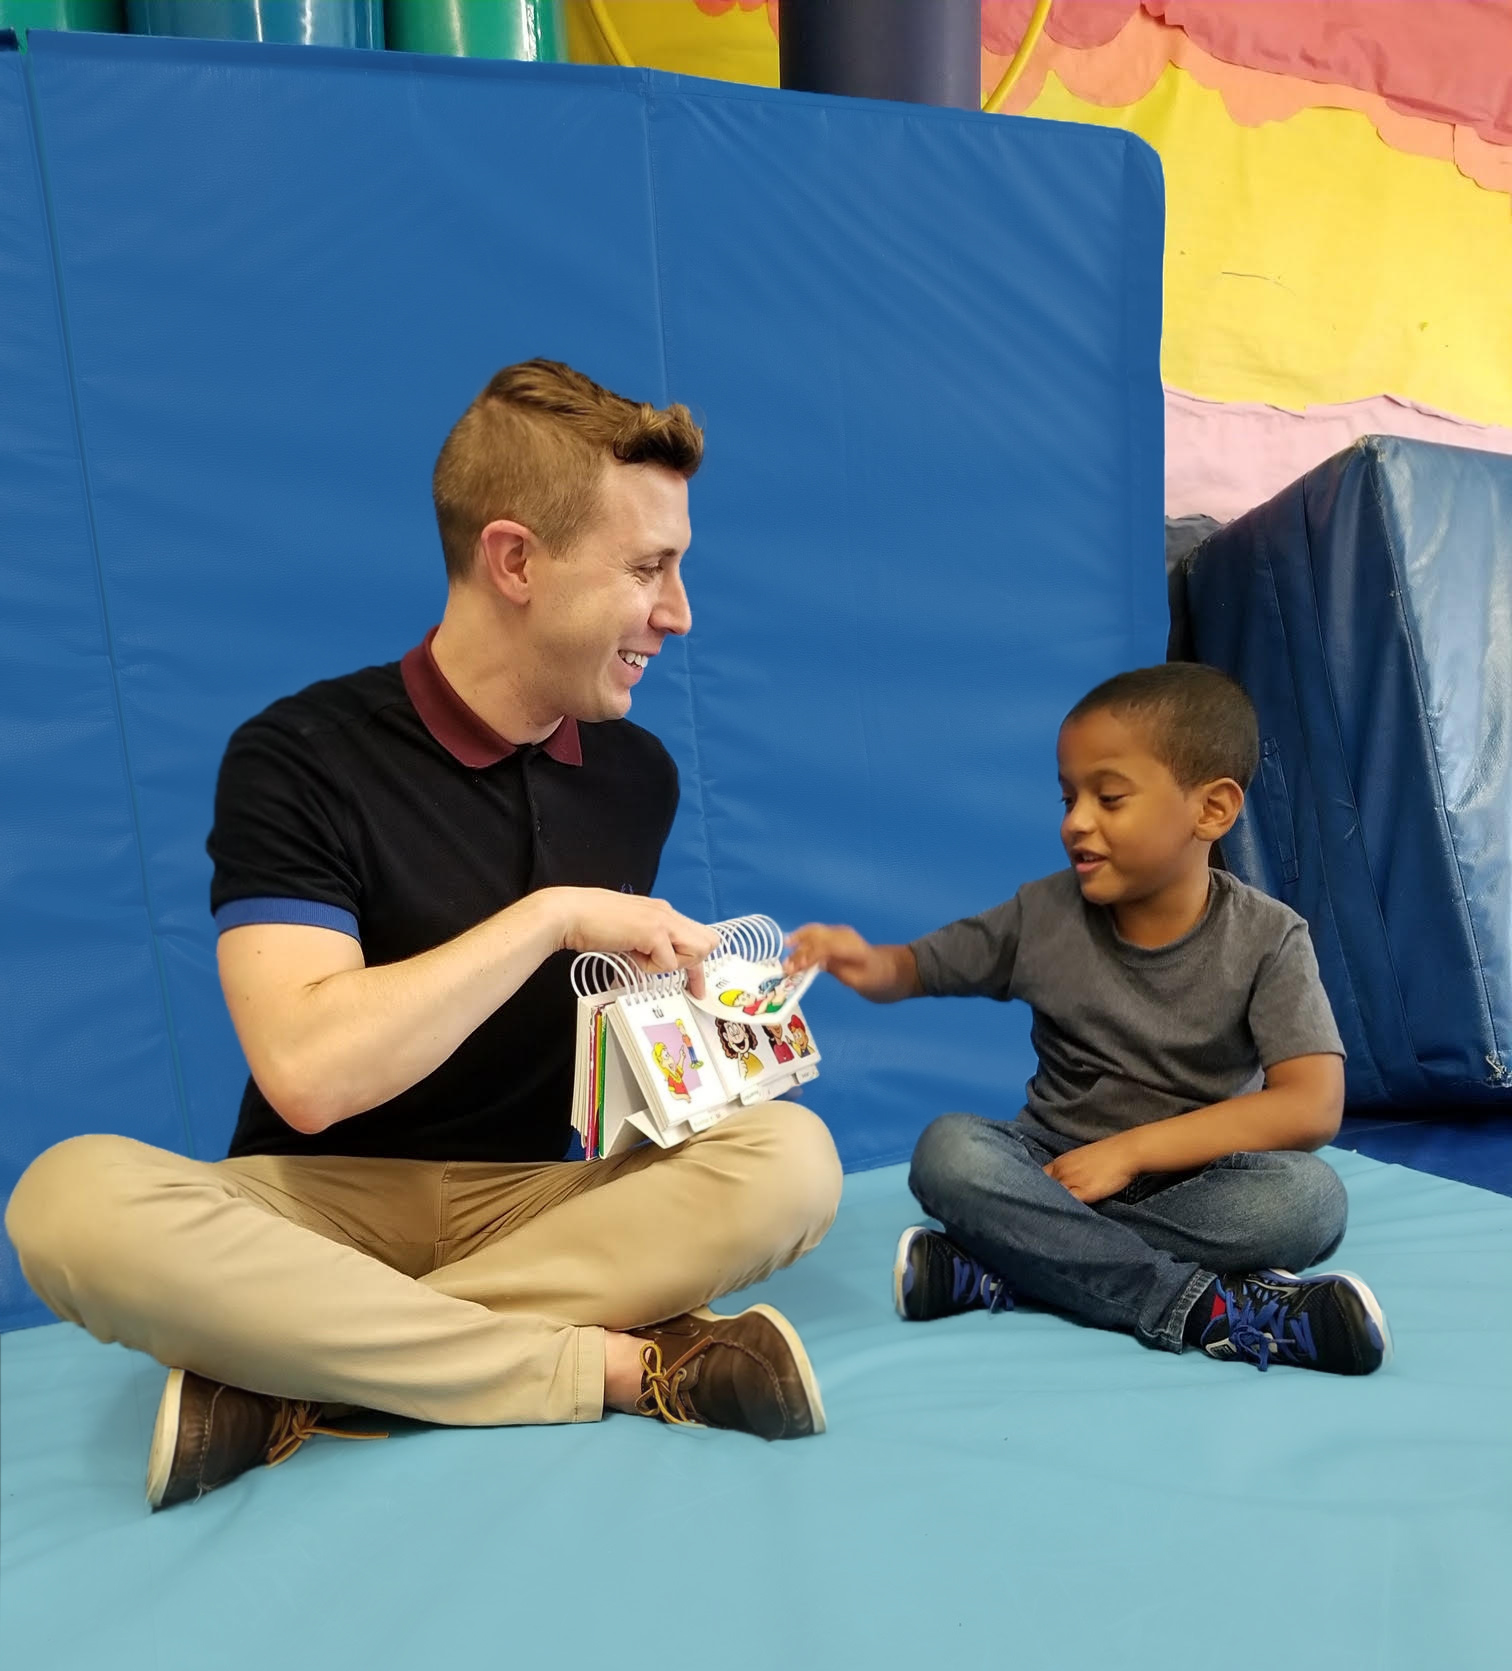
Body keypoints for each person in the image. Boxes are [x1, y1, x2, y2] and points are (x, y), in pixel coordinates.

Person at [6, 360, 842, 1510]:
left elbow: (589, 1054)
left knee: (792, 1162)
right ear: (514, 561)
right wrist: (552, 918)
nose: (679, 611)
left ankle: (300, 1373)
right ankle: (595, 1365)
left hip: (535, 1198)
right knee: (67, 1201)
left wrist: (696, 1040)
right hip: (315, 1205)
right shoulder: (297, 757)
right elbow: (308, 1075)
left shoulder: (636, 772)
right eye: (650, 568)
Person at [788, 662, 1390, 1376]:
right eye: (1069, 797)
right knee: (949, 1151)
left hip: (1194, 1183)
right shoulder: (1041, 915)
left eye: (1109, 797)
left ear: (1213, 811)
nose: (1076, 821)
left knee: (1310, 1201)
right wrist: (863, 960)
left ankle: (1012, 1263)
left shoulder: (1268, 937)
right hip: (1052, 1167)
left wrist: (1133, 1152)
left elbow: (1311, 1104)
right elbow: (916, 968)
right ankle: (1204, 1310)